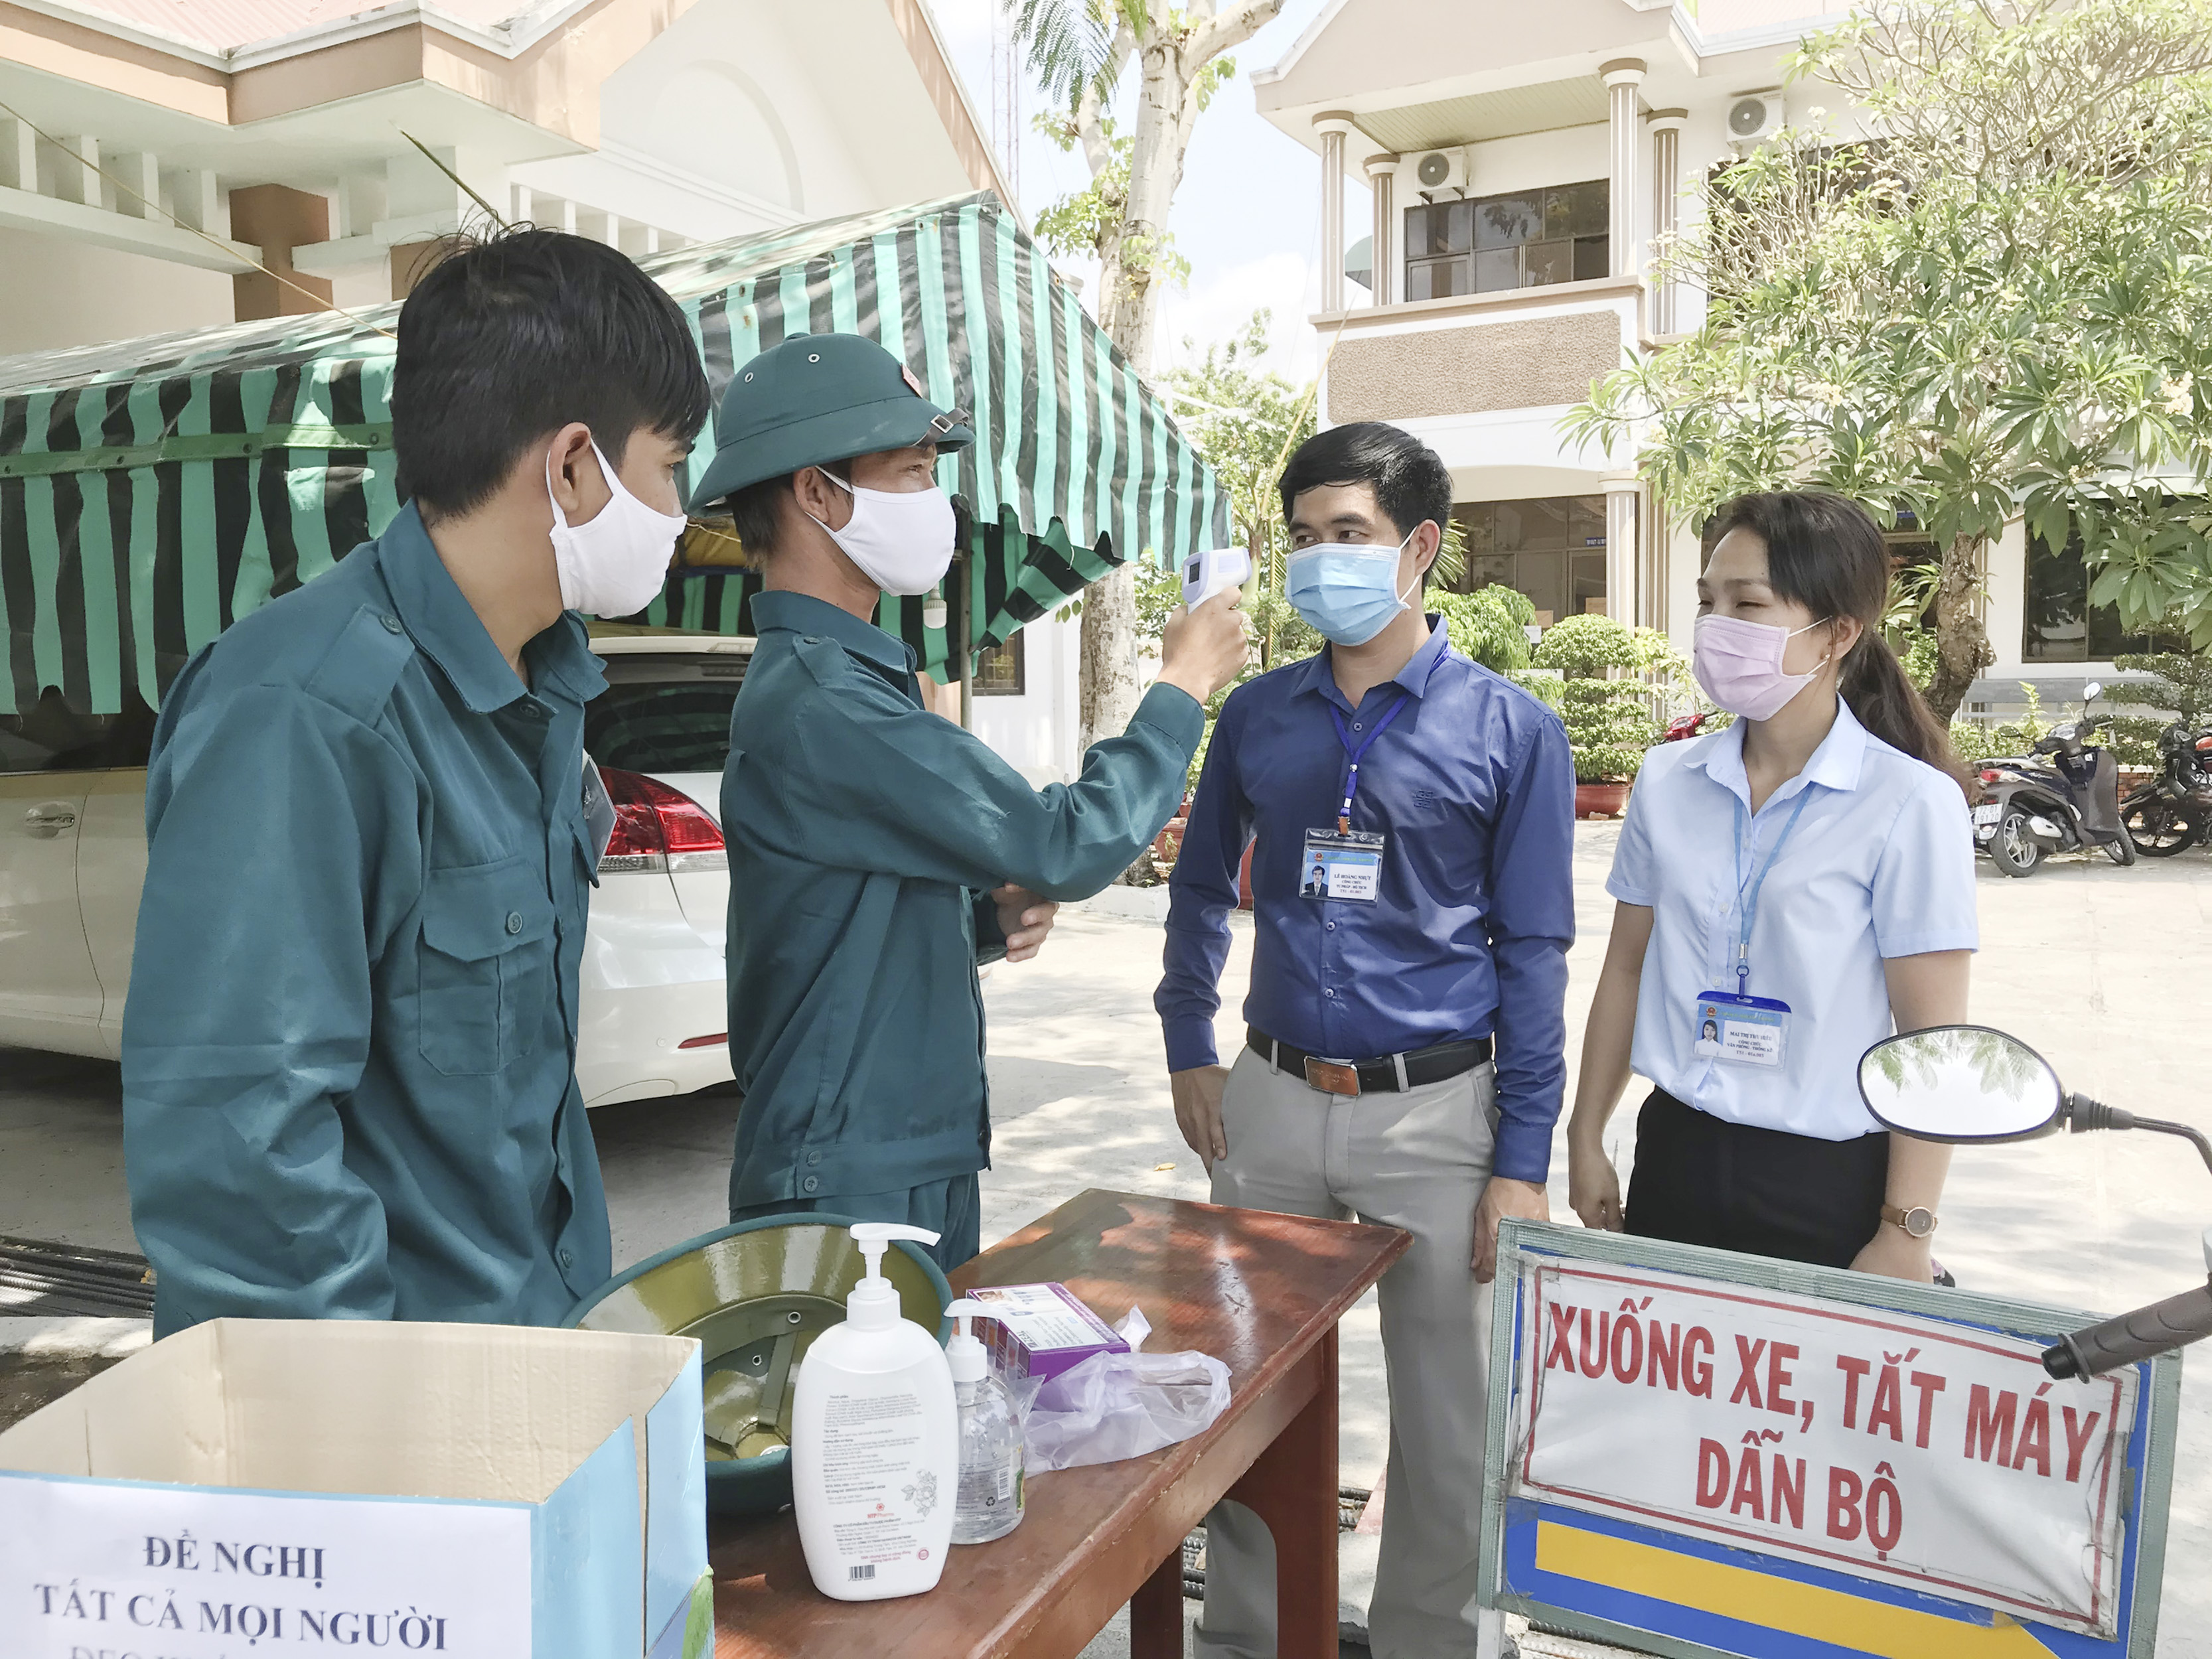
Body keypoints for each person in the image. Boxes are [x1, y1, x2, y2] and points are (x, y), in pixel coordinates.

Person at [123, 230, 709, 1335]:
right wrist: (369, 1481)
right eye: (667, 467)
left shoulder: (535, 693)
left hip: (529, 1354)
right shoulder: (304, 712)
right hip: (394, 1426)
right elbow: (245, 1170)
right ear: (575, 465)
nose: (677, 513)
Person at [688, 332, 1248, 1273]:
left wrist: (978, 918)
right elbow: (1066, 843)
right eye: (908, 473)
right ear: (817, 493)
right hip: (852, 1171)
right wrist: (1179, 684)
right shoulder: (828, 700)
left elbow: (842, 918)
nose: (934, 503)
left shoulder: (849, 683)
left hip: (893, 1146)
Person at [1155, 422, 1576, 1659]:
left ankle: (1431, 1646)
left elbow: (1533, 954)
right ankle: (1246, 1640)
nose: (1318, 562)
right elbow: (1195, 890)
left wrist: (1521, 1155)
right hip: (1271, 1101)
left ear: (1420, 549)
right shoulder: (1255, 718)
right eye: (1301, 539)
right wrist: (1188, 1037)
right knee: (1242, 1398)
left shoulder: (1511, 731)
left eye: (1348, 535)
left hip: (1435, 1115)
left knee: (1448, 1427)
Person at [1566, 491, 1977, 1279]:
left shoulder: (1908, 804)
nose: (1717, 625)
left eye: (1749, 604)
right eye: (1708, 601)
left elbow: (1932, 1045)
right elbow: (1626, 966)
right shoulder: (1668, 778)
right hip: (1678, 1153)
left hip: (1824, 1183)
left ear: (1838, 633)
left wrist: (1906, 1230)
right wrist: (1587, 1135)